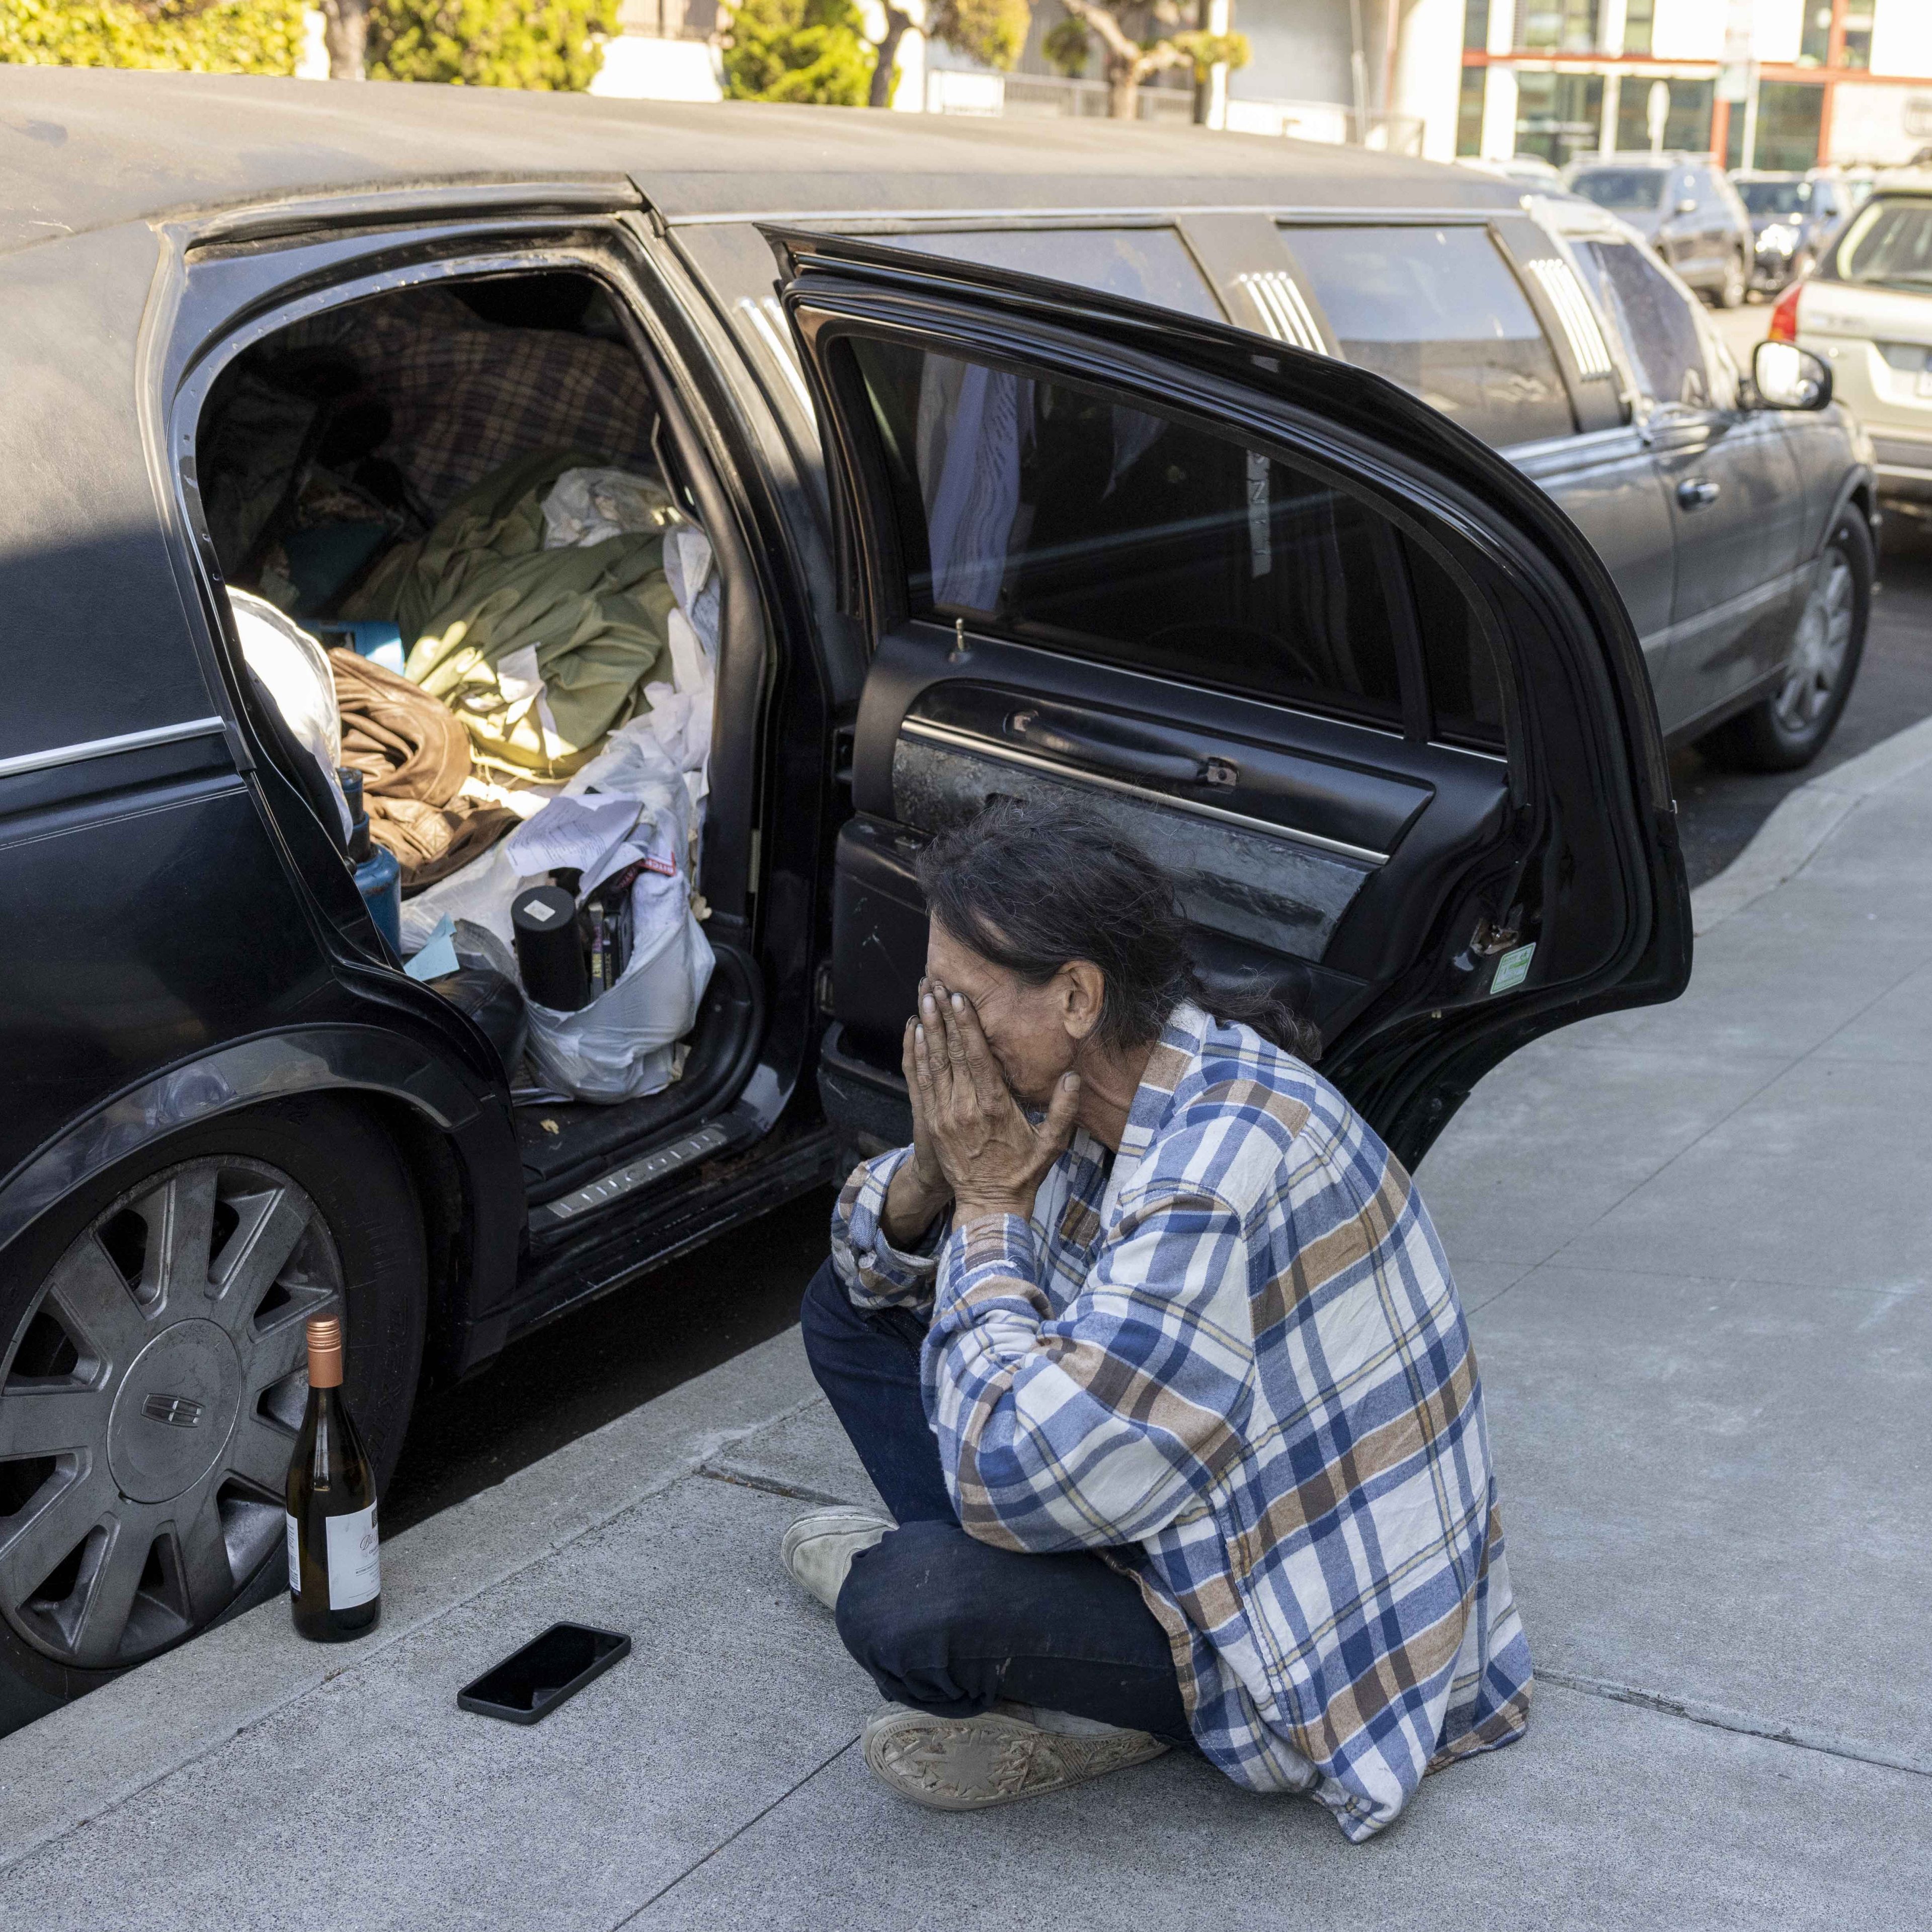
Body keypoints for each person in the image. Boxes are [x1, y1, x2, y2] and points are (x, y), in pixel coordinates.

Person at [787, 797, 1532, 1840]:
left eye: (959, 1001)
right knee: (854, 1298)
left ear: (1078, 997)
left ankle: (1102, 1711)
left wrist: (993, 1207)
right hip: (1155, 1483)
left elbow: (1019, 1470)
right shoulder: (1115, 1079)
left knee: (906, 1603)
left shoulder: (1212, 1169)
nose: (935, 1034)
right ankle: (1045, 1650)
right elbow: (876, 1279)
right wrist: (930, 1172)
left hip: (1277, 1638)